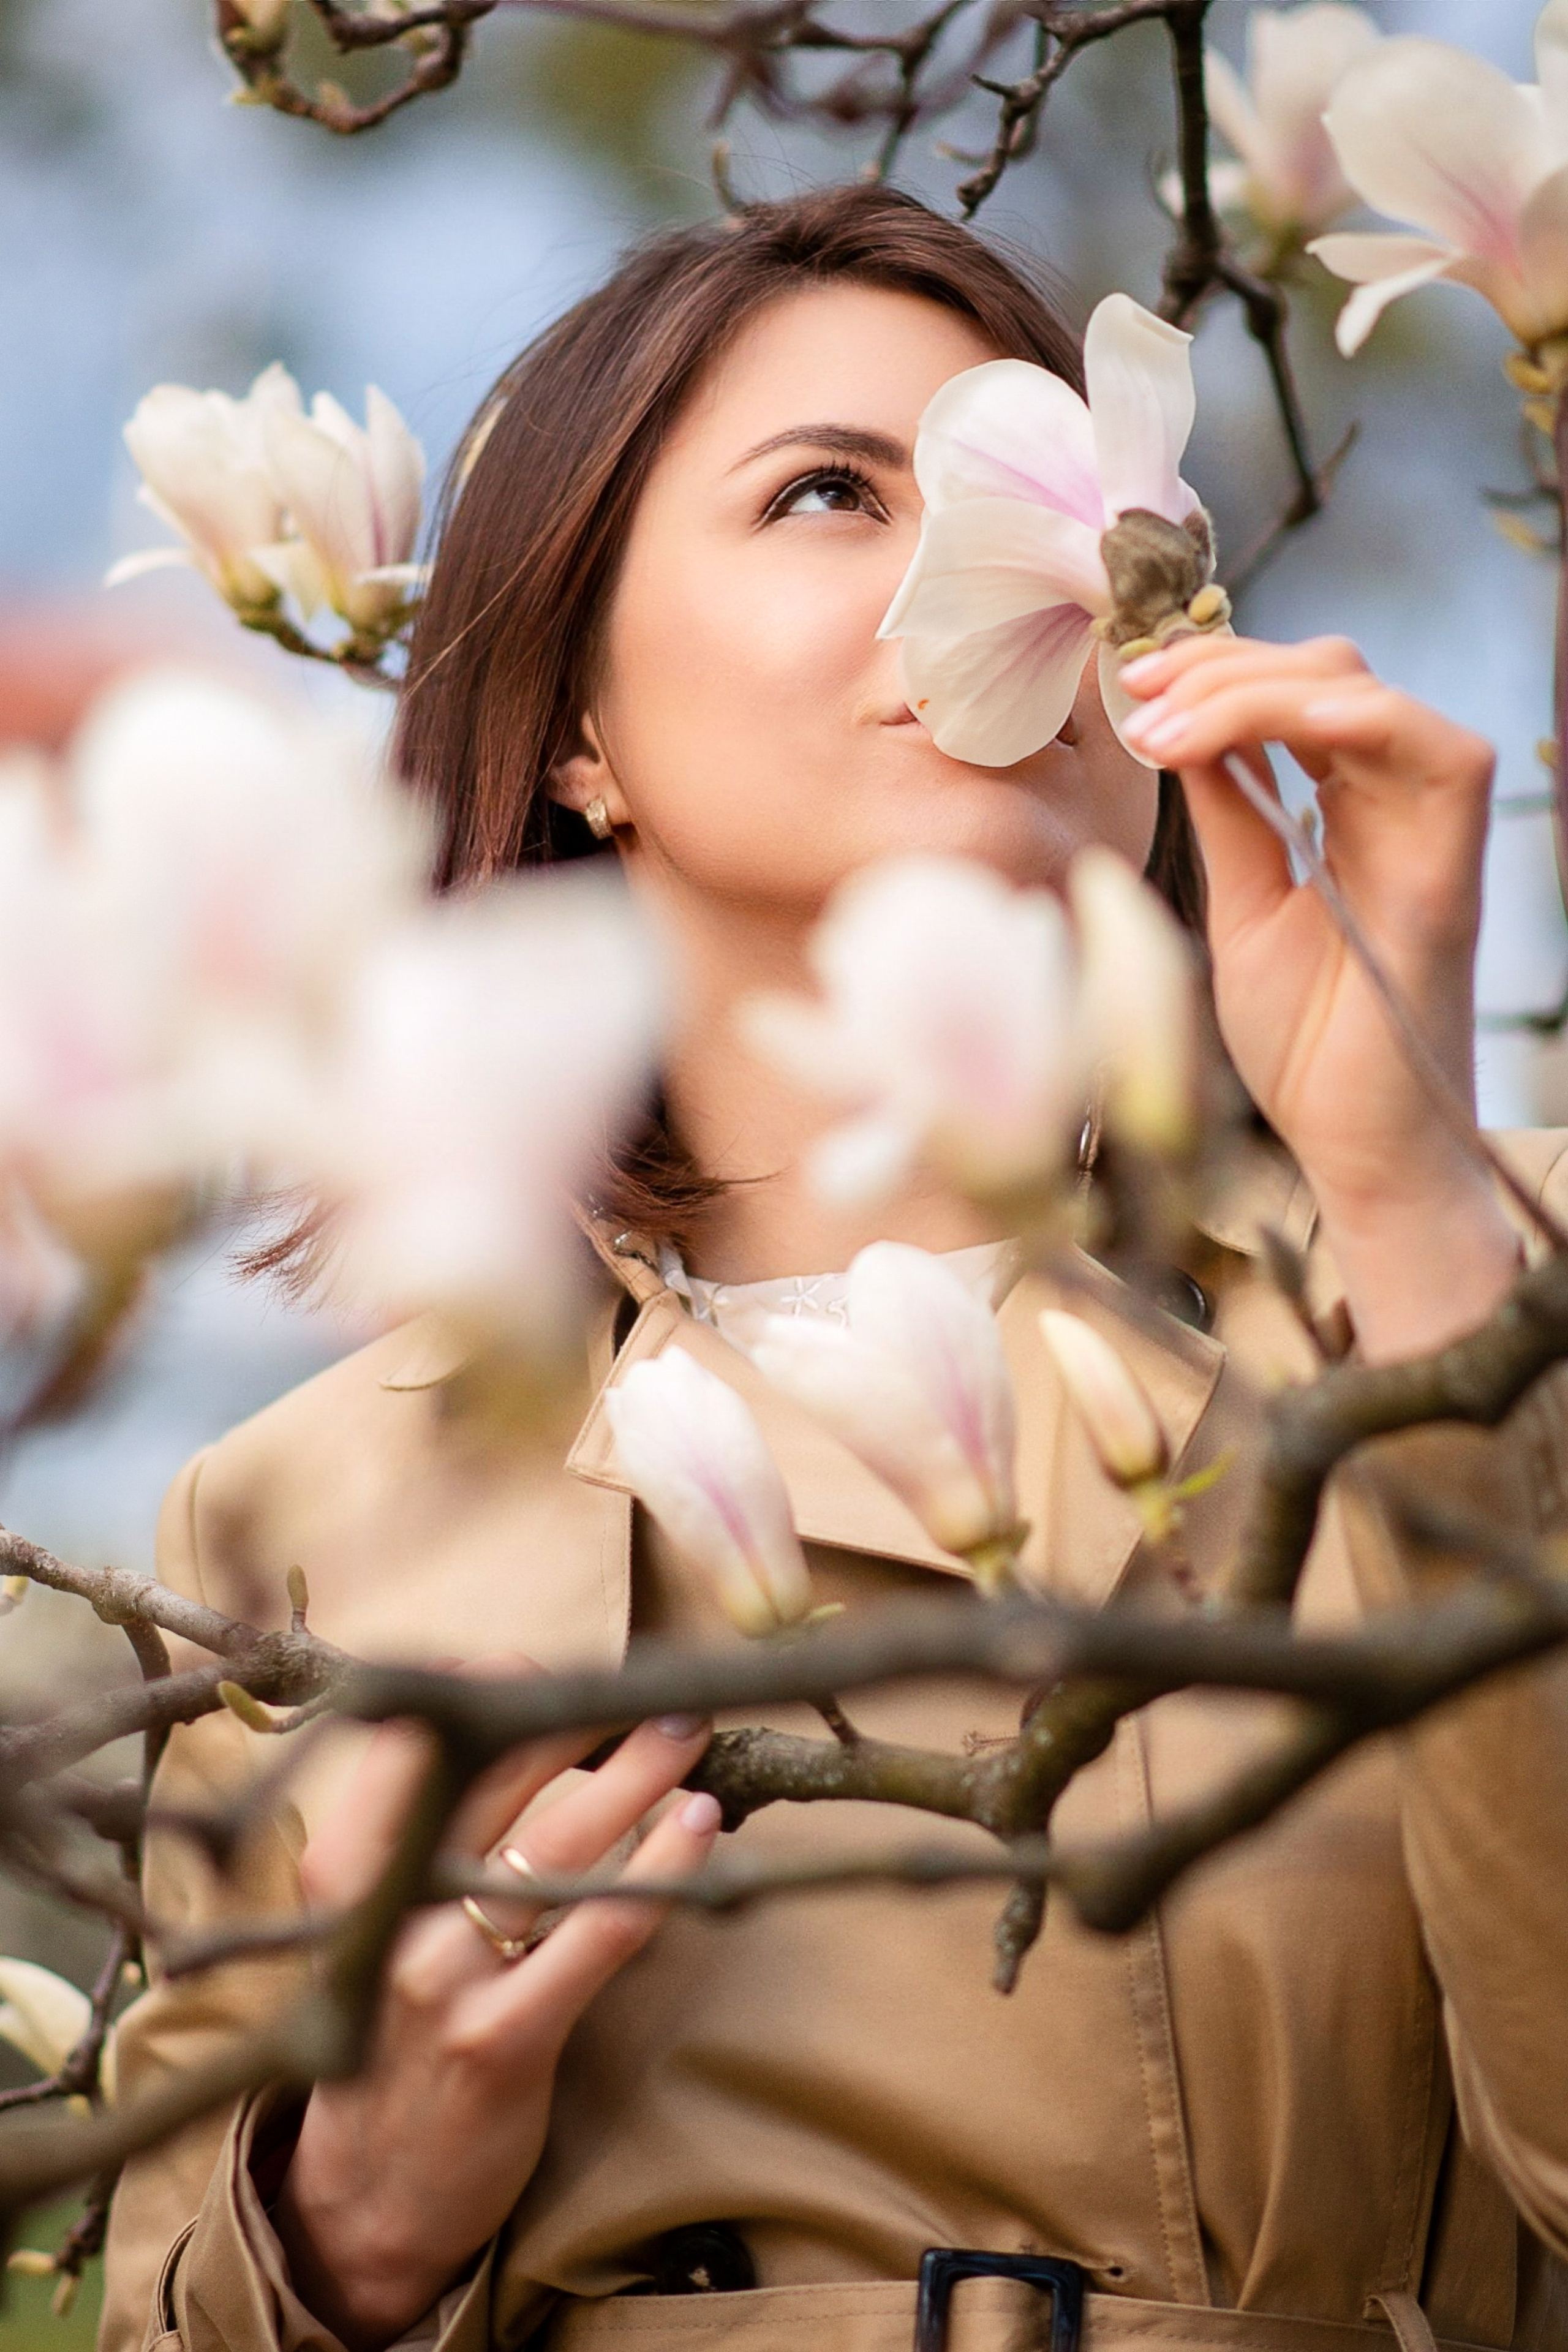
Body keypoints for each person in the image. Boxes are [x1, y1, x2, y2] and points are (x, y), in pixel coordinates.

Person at [100, 184, 1568, 2352]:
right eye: (829, 494)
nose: (1017, 570)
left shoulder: (1499, 1272)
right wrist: (348, 2226)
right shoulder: (303, 1520)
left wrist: (1411, 1201)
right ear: (578, 729)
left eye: (1050, 505)